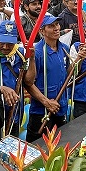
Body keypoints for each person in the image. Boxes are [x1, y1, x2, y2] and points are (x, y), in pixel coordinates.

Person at [0, 20, 36, 135]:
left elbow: (29, 81)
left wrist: (32, 58)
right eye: (2, 42)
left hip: (15, 110)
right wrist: (1, 88)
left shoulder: (21, 52)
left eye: (10, 43)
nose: (5, 47)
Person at [26, 13, 70, 143]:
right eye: (51, 26)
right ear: (42, 31)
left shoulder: (64, 49)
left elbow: (66, 74)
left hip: (60, 108)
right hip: (41, 112)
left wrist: (77, 60)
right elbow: (28, 83)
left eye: (57, 24)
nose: (56, 28)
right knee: (38, 148)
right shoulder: (37, 52)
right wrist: (46, 102)